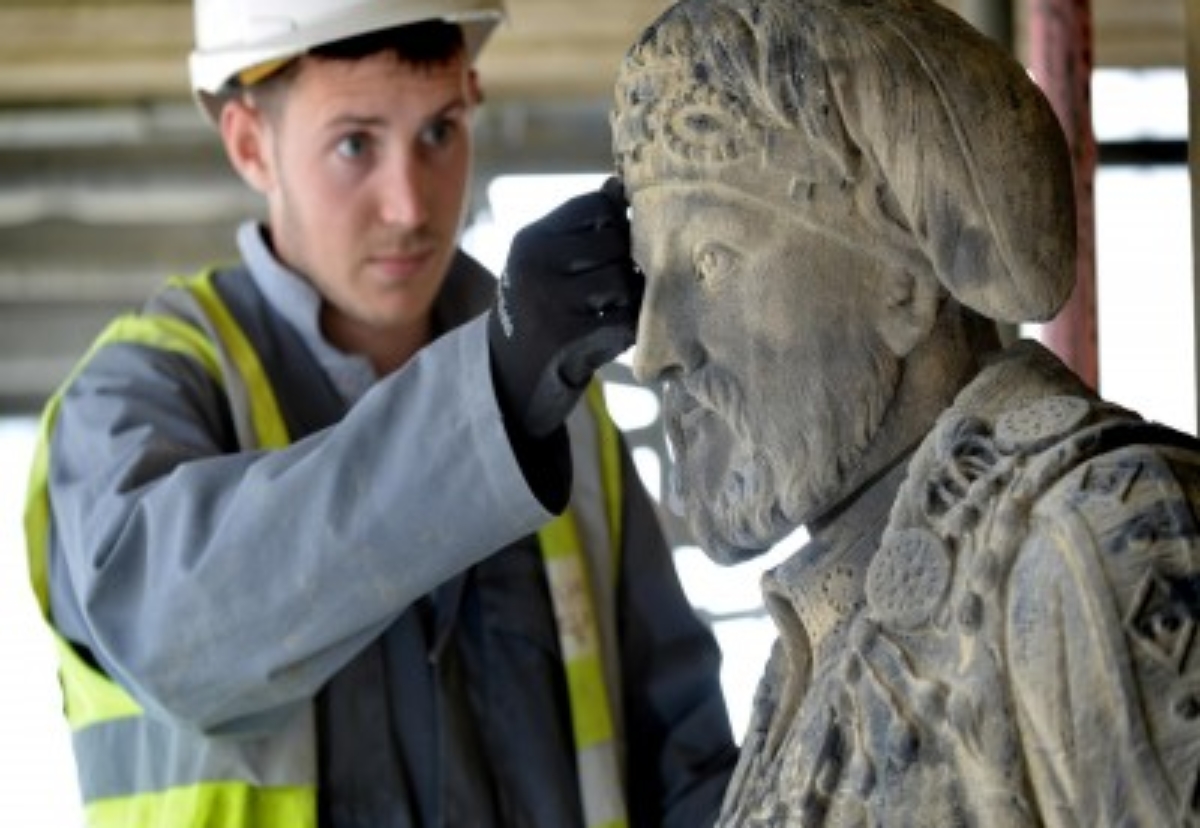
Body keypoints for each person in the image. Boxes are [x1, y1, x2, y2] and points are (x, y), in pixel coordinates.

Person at [22, 1, 737, 825]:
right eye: (354, 143)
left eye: (438, 132)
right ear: (251, 145)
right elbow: (176, 638)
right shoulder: (135, 393)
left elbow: (685, 763)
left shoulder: (566, 410)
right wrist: (492, 395)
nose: (409, 205)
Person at [612, 0, 1200, 824]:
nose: (653, 350)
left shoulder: (1094, 539)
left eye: (712, 261)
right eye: (648, 277)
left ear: (905, 284)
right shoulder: (809, 649)